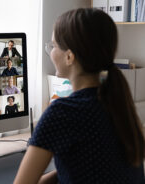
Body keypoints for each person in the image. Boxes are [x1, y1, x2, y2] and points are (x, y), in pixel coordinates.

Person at [14, 8, 145, 184]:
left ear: (69, 56)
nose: (51, 52)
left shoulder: (62, 113)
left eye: (53, 46)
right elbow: (94, 168)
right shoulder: (118, 103)